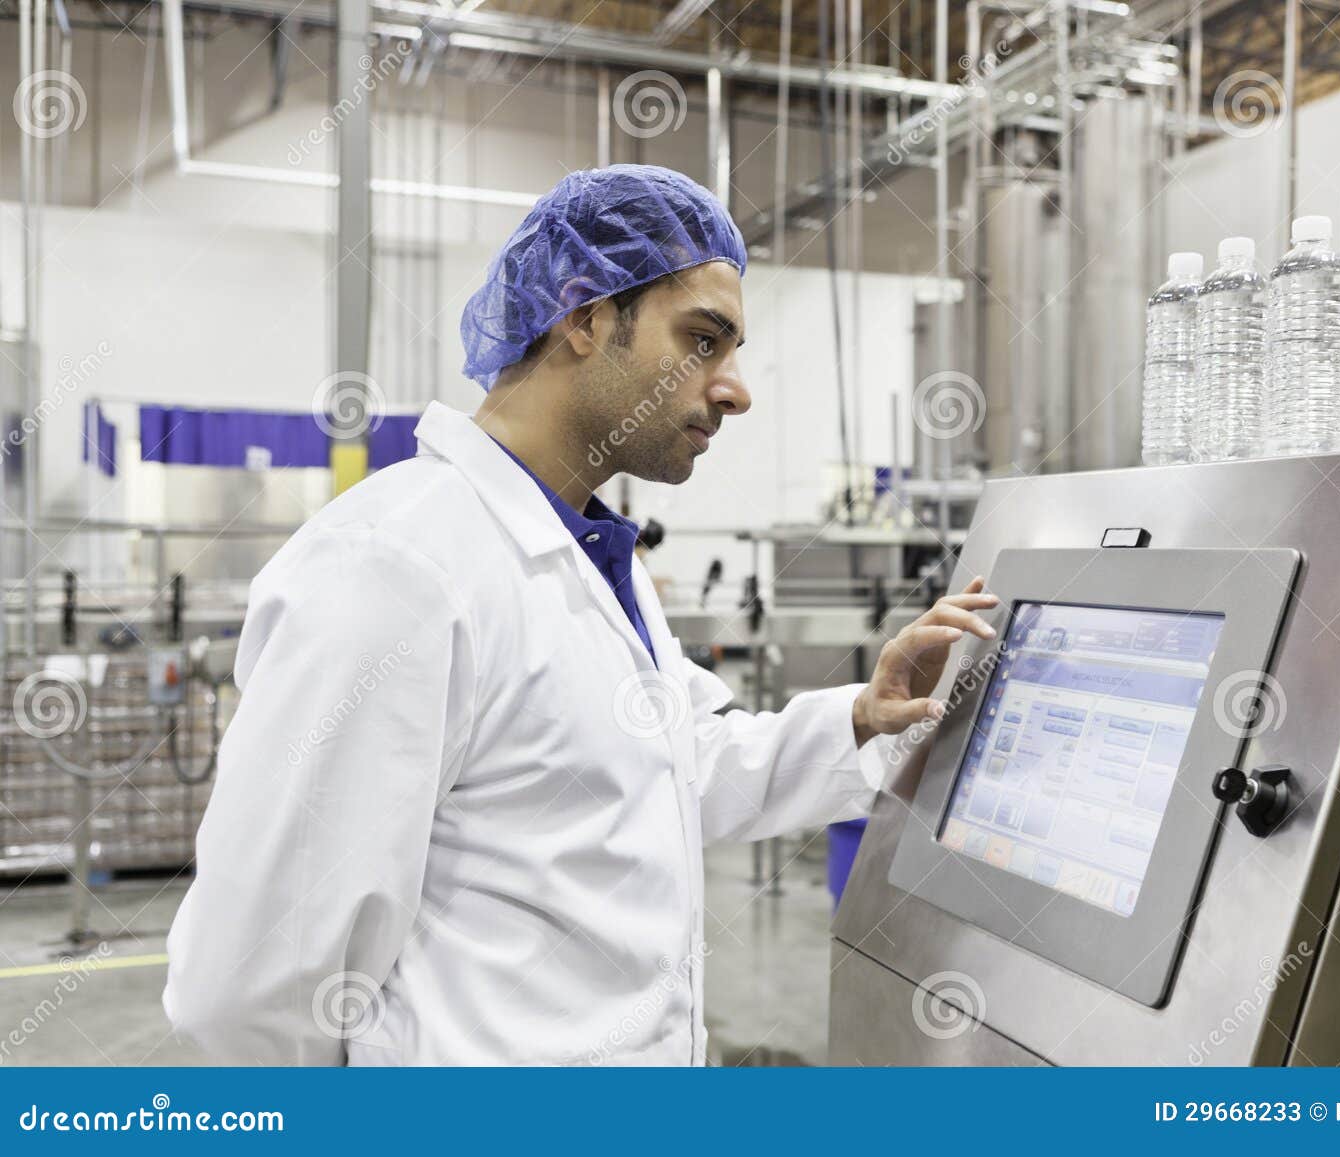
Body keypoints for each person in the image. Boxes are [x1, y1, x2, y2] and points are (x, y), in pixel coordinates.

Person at [162, 164, 998, 1065]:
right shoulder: (396, 566)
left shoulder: (597, 556)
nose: (735, 388)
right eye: (704, 340)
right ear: (585, 313)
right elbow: (250, 985)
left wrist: (860, 718)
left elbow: (671, 766)